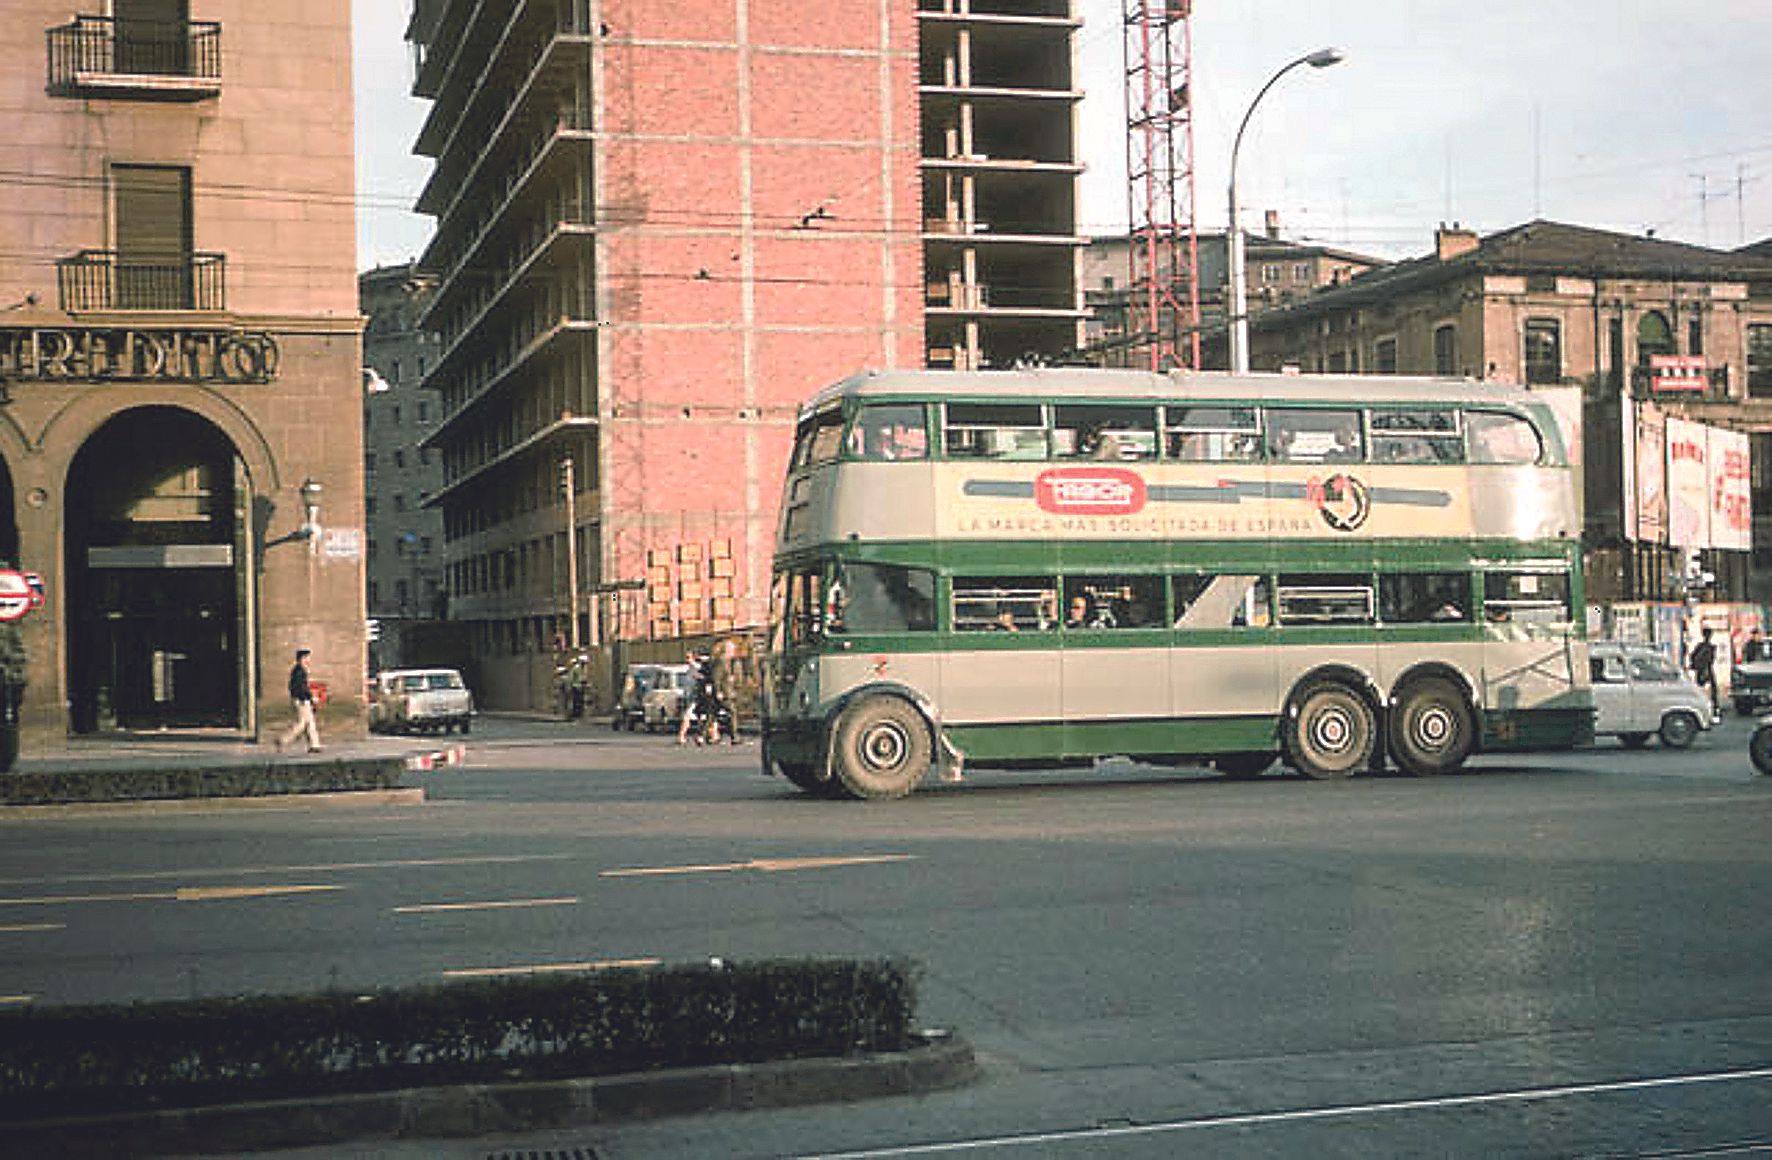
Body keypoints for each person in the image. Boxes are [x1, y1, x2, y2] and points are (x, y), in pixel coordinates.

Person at [275, 648, 322, 753]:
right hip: (301, 700)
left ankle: (314, 745)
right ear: (302, 658)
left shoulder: (298, 670)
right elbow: (302, 688)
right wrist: (311, 697)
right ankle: (283, 740)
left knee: (310, 722)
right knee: (301, 724)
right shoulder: (300, 671)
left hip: (301, 699)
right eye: (307, 657)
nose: (309, 660)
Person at [1689, 626, 1719, 719]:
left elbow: (1692, 656)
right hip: (1707, 669)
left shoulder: (1700, 646)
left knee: (1700, 689)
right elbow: (1711, 660)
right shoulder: (1710, 647)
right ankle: (1714, 708)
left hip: (1701, 670)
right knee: (1713, 690)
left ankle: (1702, 706)